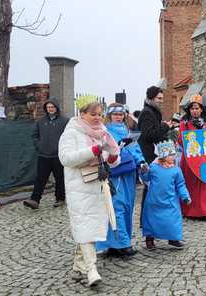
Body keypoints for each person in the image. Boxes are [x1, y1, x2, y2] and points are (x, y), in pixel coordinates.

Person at [58, 96, 120, 287]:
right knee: (85, 227)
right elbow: (66, 159)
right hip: (79, 187)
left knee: (87, 228)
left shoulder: (103, 132)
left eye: (100, 114)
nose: (98, 118)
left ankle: (78, 266)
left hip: (98, 185)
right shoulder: (71, 133)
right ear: (82, 114)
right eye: (93, 114)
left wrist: (113, 156)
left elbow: (110, 158)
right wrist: (92, 150)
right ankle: (91, 270)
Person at [95, 103, 147, 258]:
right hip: (114, 174)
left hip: (128, 174)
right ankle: (122, 244)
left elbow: (135, 149)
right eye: (115, 114)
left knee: (127, 206)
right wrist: (116, 148)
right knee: (116, 207)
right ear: (109, 115)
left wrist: (141, 161)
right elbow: (101, 151)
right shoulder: (104, 131)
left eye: (121, 114)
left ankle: (114, 244)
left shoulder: (127, 131)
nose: (118, 117)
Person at [141, 140, 191, 250]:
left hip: (170, 200)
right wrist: (144, 171)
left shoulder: (176, 170)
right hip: (154, 201)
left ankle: (173, 239)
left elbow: (181, 185)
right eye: (171, 154)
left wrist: (185, 196)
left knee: (172, 219)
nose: (173, 157)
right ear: (163, 156)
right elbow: (146, 178)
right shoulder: (153, 167)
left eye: (173, 154)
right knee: (151, 220)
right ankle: (149, 240)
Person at [24, 98, 69, 209]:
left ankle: (60, 199)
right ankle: (35, 200)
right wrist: (39, 146)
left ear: (56, 107)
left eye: (52, 107)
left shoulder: (65, 121)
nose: (50, 109)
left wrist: (63, 149)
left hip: (58, 156)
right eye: (48, 107)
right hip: (43, 155)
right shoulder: (41, 121)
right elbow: (34, 135)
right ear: (46, 108)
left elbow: (69, 137)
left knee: (60, 178)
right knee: (40, 178)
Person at [179, 95, 206, 221]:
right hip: (190, 159)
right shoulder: (184, 123)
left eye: (197, 108)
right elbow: (180, 140)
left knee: (204, 184)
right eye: (192, 108)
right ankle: (189, 210)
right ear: (189, 110)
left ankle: (204, 211)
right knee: (190, 185)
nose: (194, 111)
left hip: (205, 159)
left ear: (201, 110)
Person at [138, 86, 171, 223]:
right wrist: (165, 127)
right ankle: (145, 219)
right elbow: (149, 134)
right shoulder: (147, 112)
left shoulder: (153, 111)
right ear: (151, 97)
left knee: (152, 187)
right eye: (159, 98)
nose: (161, 101)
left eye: (162, 98)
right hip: (148, 154)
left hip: (153, 153)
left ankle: (149, 219)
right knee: (150, 187)